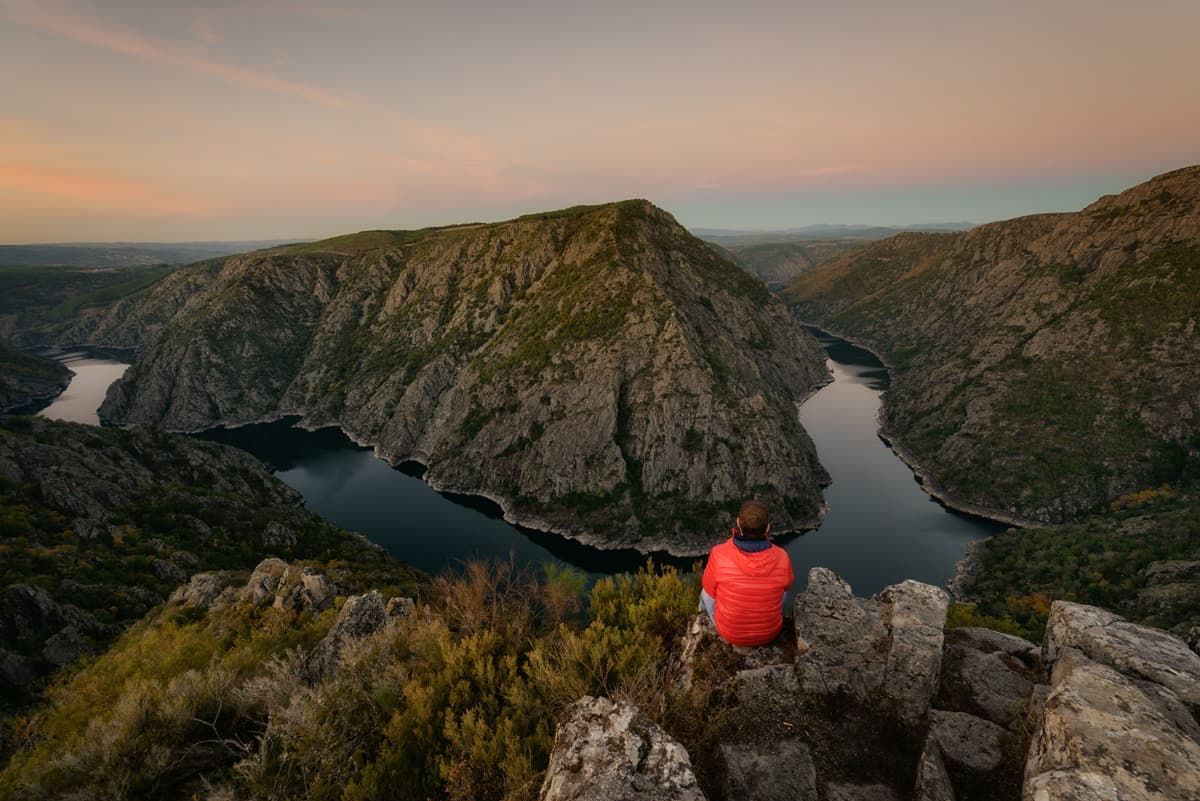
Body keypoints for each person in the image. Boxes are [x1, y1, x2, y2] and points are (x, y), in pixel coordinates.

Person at [700, 499, 793, 646]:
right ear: (767, 527)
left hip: (730, 633)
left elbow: (709, 588)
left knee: (705, 592)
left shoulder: (719, 553)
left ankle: (699, 619)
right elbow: (786, 585)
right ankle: (771, 619)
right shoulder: (782, 556)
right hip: (770, 633)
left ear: (738, 523)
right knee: (783, 591)